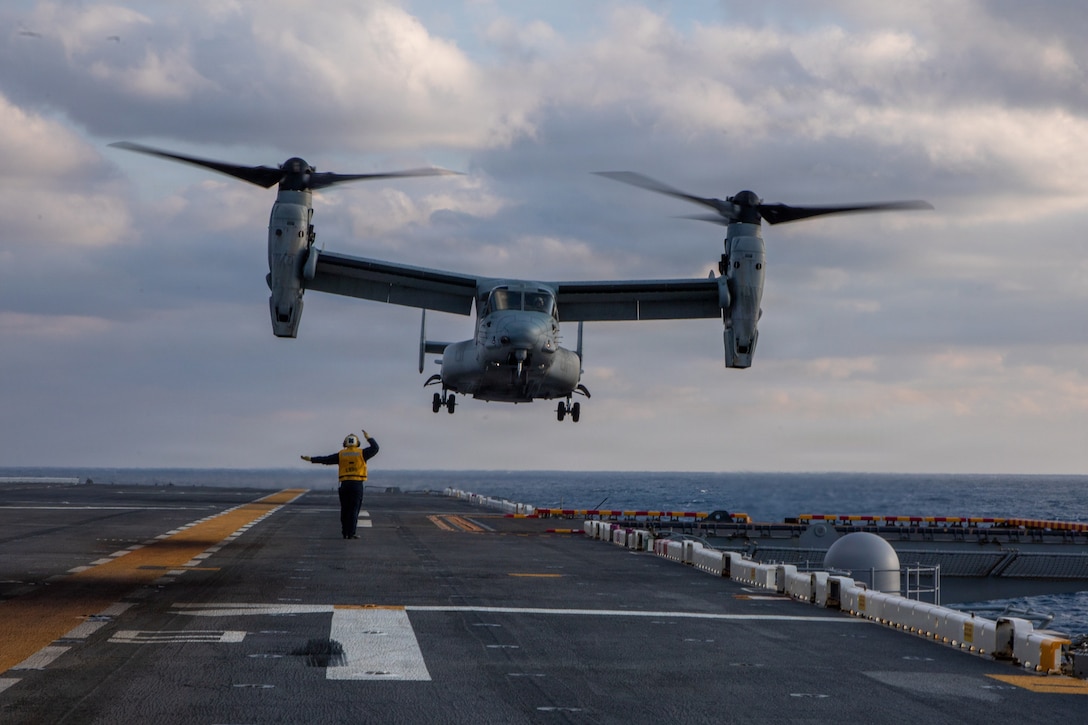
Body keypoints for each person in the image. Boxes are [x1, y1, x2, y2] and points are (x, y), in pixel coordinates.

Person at [301, 431, 379, 539]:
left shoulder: (341, 454)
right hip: (356, 484)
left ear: (345, 443)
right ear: (357, 443)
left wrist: (311, 459)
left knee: (345, 509)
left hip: (345, 484)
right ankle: (351, 533)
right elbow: (375, 448)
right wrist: (368, 437)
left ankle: (344, 532)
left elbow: (326, 460)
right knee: (354, 509)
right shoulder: (362, 453)